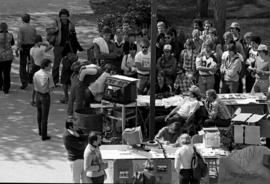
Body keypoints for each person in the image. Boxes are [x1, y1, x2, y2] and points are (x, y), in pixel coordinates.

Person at [49, 8, 83, 85]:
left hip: (68, 47)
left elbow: (74, 37)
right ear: (60, 16)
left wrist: (78, 47)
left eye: (65, 16)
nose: (64, 17)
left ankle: (68, 80)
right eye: (62, 16)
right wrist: (55, 30)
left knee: (69, 65)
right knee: (56, 65)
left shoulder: (71, 24)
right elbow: (49, 31)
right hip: (58, 47)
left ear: (67, 16)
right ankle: (55, 81)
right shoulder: (56, 23)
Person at [33, 59, 54, 141]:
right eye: (49, 66)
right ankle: (44, 135)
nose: (51, 67)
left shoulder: (36, 73)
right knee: (45, 116)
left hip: (38, 95)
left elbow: (34, 86)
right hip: (45, 96)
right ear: (45, 66)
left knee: (39, 114)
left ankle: (40, 131)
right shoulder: (48, 75)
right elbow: (51, 88)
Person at [29, 35, 53, 106]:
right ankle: (40, 100)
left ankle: (33, 100)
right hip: (41, 67)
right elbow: (50, 46)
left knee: (35, 85)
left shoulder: (32, 49)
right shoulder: (41, 49)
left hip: (34, 67)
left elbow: (31, 60)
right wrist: (44, 43)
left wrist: (30, 67)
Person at [16, 13, 37, 90]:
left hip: (24, 47)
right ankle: (31, 78)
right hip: (31, 46)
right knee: (32, 63)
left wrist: (18, 48)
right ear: (29, 19)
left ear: (22, 20)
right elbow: (35, 38)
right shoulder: (33, 27)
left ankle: (24, 82)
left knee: (22, 65)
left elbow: (20, 40)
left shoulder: (21, 28)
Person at [0, 22, 14, 94]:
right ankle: (6, 88)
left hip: (0, 56)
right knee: (7, 73)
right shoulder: (10, 35)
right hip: (8, 57)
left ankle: (0, 86)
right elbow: (12, 43)